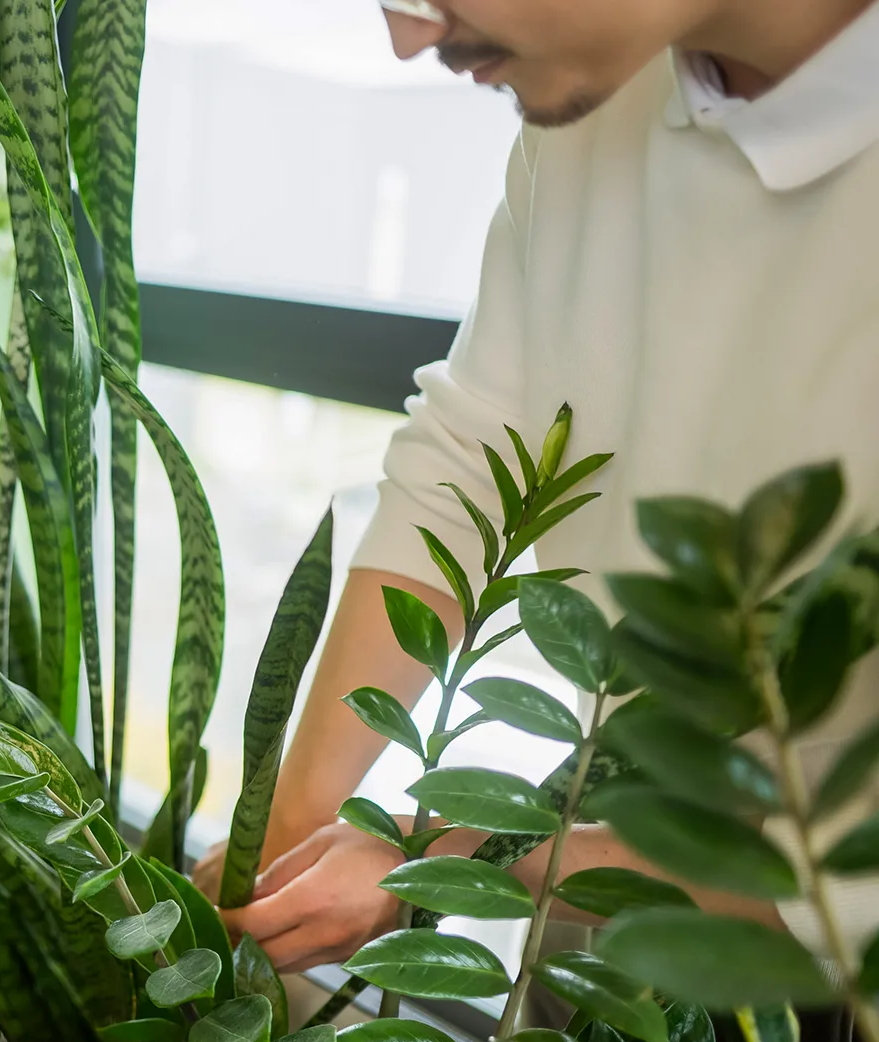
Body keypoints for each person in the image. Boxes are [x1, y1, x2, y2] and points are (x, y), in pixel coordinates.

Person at [194, 0, 879, 970]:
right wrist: (296, 821)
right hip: (610, 876)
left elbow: (853, 889)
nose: (407, 35)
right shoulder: (601, 97)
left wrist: (450, 855)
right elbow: (472, 452)